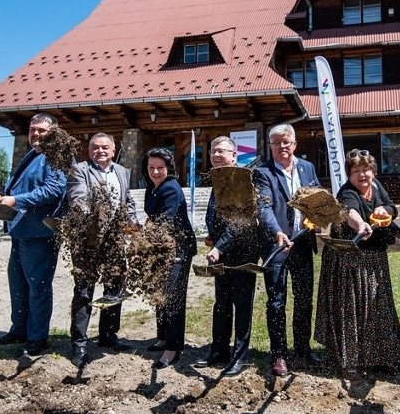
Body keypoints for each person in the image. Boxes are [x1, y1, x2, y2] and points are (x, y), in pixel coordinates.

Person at [314, 149, 400, 382]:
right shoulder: (347, 192)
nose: (362, 175)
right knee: (352, 309)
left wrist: (387, 211)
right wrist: (361, 224)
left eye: (365, 169)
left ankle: (382, 357)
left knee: (378, 306)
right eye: (356, 171)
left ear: (372, 170)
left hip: (375, 258)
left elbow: (391, 206)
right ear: (349, 174)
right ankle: (350, 362)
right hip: (350, 259)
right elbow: (349, 211)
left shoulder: (376, 186)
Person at [0, 113, 67, 356]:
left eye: (42, 130)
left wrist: (16, 199)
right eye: (33, 129)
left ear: (53, 132)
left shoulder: (56, 155)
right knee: (19, 283)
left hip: (39, 232)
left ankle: (37, 338)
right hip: (21, 229)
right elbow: (27, 185)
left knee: (38, 286)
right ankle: (19, 330)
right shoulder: (33, 154)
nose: (35, 133)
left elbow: (54, 189)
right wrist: (3, 193)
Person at [65, 133, 139, 367]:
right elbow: (78, 198)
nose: (100, 151)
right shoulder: (79, 170)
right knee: (84, 291)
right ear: (89, 151)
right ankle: (79, 343)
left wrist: (133, 223)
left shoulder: (123, 172)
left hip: (114, 240)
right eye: (95, 148)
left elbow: (127, 201)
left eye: (105, 147)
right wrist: (94, 217)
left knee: (114, 288)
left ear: (114, 149)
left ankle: (108, 335)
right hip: (88, 241)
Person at [254, 124, 321, 377]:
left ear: (295, 143)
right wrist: (276, 231)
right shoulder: (263, 173)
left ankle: (303, 347)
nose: (282, 146)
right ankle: (279, 354)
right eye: (277, 143)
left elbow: (315, 199)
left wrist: (318, 216)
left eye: (286, 141)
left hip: (303, 243)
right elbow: (264, 207)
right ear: (270, 147)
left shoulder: (307, 168)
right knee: (277, 302)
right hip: (277, 246)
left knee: (304, 299)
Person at [196, 136, 260, 377]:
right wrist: (212, 236)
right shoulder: (218, 179)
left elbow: (239, 222)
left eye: (222, 151)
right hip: (221, 254)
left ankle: (240, 355)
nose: (216, 155)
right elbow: (216, 215)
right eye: (213, 151)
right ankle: (219, 350)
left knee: (242, 306)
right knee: (221, 304)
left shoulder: (240, 179)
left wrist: (219, 246)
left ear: (234, 156)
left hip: (242, 254)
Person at [143, 147, 197, 370]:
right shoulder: (152, 188)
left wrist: (143, 236)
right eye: (151, 168)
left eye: (160, 168)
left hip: (178, 249)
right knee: (160, 293)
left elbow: (165, 220)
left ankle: (173, 348)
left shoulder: (171, 189)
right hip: (159, 247)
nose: (155, 172)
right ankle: (163, 336)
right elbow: (152, 218)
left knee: (173, 296)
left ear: (169, 168)